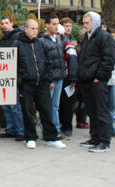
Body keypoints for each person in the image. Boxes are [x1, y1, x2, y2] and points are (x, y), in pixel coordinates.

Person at [13, 19, 66, 150]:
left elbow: (48, 61)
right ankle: (30, 137)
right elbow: (13, 64)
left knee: (46, 110)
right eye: (32, 28)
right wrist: (21, 80)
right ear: (25, 29)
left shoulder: (40, 43)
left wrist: (47, 78)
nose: (35, 31)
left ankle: (51, 137)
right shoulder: (17, 44)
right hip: (26, 83)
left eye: (36, 28)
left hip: (42, 82)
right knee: (27, 111)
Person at [77, 12, 115, 153]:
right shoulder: (88, 37)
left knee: (101, 111)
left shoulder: (104, 37)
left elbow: (109, 59)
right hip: (86, 79)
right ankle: (95, 137)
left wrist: (100, 76)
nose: (84, 25)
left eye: (87, 22)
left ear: (95, 22)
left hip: (97, 80)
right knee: (92, 111)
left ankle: (104, 141)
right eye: (84, 22)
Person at [0, 16, 25, 140]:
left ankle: (20, 131)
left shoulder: (18, 37)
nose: (4, 25)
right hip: (3, 76)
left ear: (12, 24)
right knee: (6, 106)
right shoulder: (3, 39)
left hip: (14, 76)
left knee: (14, 106)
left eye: (6, 23)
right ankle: (11, 129)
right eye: (2, 23)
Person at [39, 13, 65, 136]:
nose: (56, 26)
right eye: (54, 24)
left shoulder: (58, 39)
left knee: (55, 106)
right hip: (50, 79)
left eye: (57, 24)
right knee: (48, 106)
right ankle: (50, 130)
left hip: (59, 76)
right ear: (47, 25)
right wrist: (48, 80)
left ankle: (55, 128)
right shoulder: (42, 41)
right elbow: (42, 62)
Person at [57, 24, 78, 138]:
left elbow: (73, 62)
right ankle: (62, 124)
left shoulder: (68, 46)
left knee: (67, 104)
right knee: (60, 104)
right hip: (59, 77)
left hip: (67, 78)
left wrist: (73, 78)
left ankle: (67, 127)